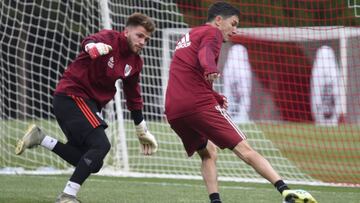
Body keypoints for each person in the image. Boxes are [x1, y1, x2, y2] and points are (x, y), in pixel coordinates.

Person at [164, 2, 317, 203]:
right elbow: (205, 56)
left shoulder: (191, 34)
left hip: (174, 110)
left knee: (208, 152)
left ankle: (215, 201)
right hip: (196, 105)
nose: (235, 30)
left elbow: (190, 75)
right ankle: (286, 191)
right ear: (219, 20)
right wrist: (211, 67)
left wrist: (215, 96)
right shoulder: (213, 33)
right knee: (245, 149)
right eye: (233, 24)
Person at [15, 13, 158, 203]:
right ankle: (67, 196)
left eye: (146, 39)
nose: (142, 42)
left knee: (93, 161)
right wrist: (93, 47)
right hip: (72, 96)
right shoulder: (110, 38)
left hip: (85, 104)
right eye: (139, 36)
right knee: (101, 145)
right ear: (126, 31)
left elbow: (133, 96)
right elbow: (89, 41)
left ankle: (41, 138)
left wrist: (141, 129)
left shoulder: (135, 63)